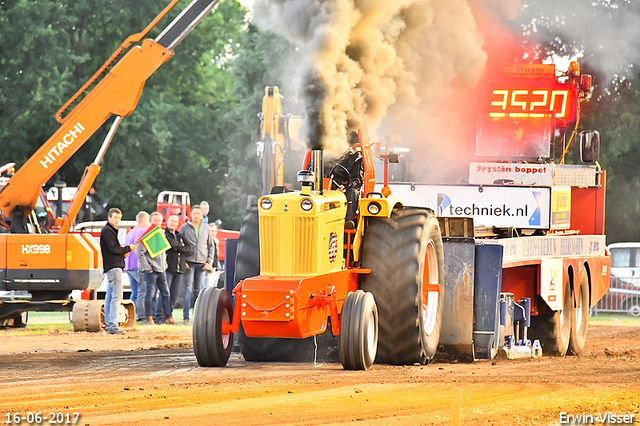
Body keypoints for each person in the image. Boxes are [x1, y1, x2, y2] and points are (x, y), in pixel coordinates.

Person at [100, 207, 137, 335]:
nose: (117, 220)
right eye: (115, 217)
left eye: (119, 218)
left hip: (111, 266)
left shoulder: (108, 230)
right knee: (117, 296)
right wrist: (128, 248)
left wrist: (122, 254)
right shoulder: (108, 231)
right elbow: (114, 249)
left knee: (110, 296)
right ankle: (113, 325)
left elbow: (113, 250)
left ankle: (109, 323)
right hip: (114, 267)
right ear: (109, 217)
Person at [136, 212, 173, 325]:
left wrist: (165, 264)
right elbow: (140, 252)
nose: (157, 222)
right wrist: (147, 267)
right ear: (151, 221)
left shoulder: (161, 233)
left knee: (166, 293)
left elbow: (163, 251)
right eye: (155, 220)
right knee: (150, 294)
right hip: (151, 271)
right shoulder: (146, 234)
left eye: (159, 220)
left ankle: (168, 317)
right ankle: (149, 318)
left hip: (162, 270)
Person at [180, 205, 215, 325]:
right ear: (191, 214)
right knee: (187, 289)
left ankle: (197, 316)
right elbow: (180, 245)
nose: (196, 216)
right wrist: (182, 261)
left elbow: (211, 246)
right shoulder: (184, 228)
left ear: (202, 215)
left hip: (201, 263)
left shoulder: (206, 228)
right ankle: (185, 317)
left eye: (199, 214)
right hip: (189, 263)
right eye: (194, 213)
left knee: (198, 290)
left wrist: (209, 262)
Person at [327, 131, 364, 229]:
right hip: (326, 187)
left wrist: (344, 187)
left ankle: (349, 220)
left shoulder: (355, 158)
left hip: (345, 188)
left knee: (353, 190)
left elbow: (356, 179)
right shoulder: (322, 157)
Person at [124, 211, 150, 322]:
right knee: (141, 291)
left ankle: (130, 314)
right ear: (145, 220)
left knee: (134, 291)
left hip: (128, 266)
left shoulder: (130, 232)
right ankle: (141, 315)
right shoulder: (143, 232)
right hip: (137, 266)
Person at [164, 214, 190, 321]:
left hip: (179, 269)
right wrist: (180, 247)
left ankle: (170, 314)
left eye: (175, 221)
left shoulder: (180, 236)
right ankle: (163, 315)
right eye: (171, 221)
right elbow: (170, 245)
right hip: (168, 268)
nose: (173, 223)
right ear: (167, 222)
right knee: (166, 293)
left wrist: (177, 247)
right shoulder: (165, 234)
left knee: (174, 294)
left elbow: (189, 248)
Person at [204, 222, 222, 288]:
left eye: (215, 231)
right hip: (208, 272)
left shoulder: (215, 242)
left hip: (215, 271)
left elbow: (216, 256)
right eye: (211, 231)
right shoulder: (205, 242)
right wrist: (210, 269)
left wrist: (218, 269)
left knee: (213, 292)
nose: (213, 233)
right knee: (206, 291)